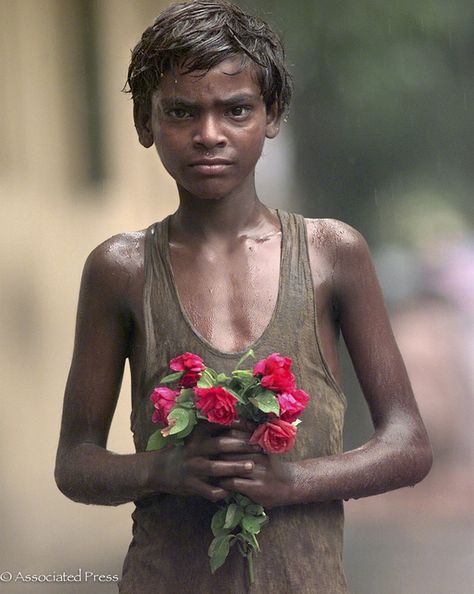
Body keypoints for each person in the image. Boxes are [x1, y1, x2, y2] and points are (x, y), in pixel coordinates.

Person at [54, 1, 432, 592]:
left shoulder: (331, 254)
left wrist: (294, 481)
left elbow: (409, 444)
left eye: (236, 110)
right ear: (144, 124)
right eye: (181, 112)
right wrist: (165, 469)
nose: (209, 135)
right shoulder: (121, 269)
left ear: (271, 116)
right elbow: (75, 463)